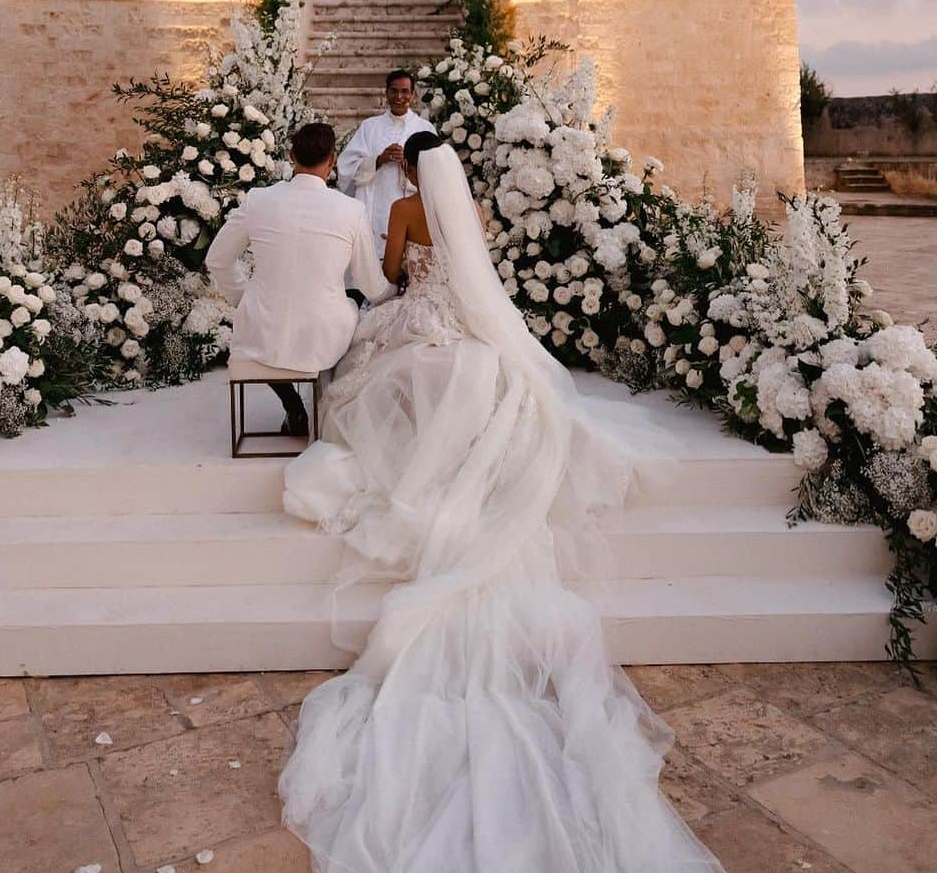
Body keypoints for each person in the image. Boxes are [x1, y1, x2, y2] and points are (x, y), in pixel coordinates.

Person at [279, 133, 725, 872]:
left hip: (423, 322)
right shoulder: (471, 210)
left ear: (412, 170)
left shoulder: (404, 210)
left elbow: (391, 281)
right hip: (474, 326)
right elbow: (476, 277)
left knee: (360, 372)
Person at [205, 122, 394, 437]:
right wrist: (394, 288)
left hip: (263, 329)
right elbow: (370, 285)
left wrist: (245, 297)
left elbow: (217, 259)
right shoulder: (350, 209)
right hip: (324, 335)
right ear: (332, 160)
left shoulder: (258, 200)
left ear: (291, 155)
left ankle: (292, 403)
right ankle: (331, 403)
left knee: (265, 324)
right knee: (354, 304)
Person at [336, 69, 436, 257]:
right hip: (376, 207)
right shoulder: (370, 127)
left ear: (413, 95)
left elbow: (436, 173)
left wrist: (408, 164)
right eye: (394, 91)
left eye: (405, 91)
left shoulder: (425, 128)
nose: (399, 97)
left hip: (412, 207)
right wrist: (379, 160)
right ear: (386, 93)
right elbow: (346, 167)